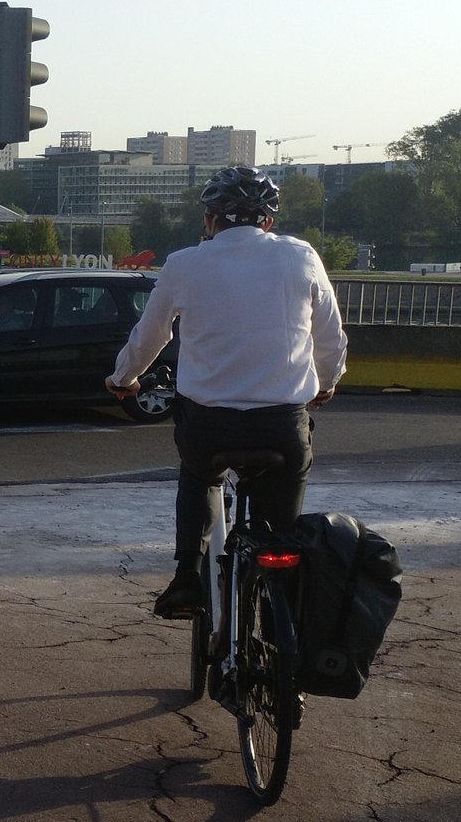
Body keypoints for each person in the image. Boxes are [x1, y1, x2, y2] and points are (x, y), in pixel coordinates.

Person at [107, 166, 347, 619]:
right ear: (268, 222)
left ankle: (186, 580)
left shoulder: (185, 264)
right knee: (284, 531)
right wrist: (327, 383)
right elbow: (331, 337)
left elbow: (150, 337)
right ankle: (287, 614)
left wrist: (123, 379)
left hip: (210, 425)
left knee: (199, 476)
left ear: (209, 220)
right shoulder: (302, 257)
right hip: (282, 424)